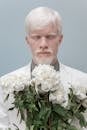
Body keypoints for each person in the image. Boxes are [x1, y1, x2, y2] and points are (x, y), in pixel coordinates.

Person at [0, 6, 87, 130]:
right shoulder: (3, 85)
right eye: (36, 37)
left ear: (60, 39)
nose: (43, 44)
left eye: (50, 36)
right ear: (28, 40)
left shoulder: (84, 82)